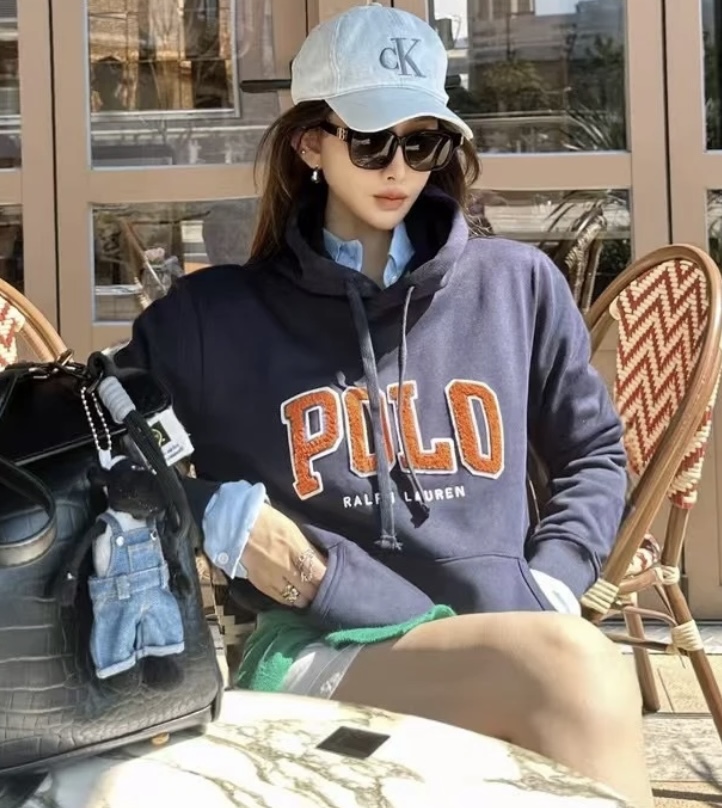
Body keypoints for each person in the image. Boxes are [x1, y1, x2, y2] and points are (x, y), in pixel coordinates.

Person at [116, 3, 653, 805]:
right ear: (311, 144)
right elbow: (98, 452)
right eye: (371, 140)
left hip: (508, 631)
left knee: (565, 666)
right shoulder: (212, 319)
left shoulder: (517, 286)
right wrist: (215, 513)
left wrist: (553, 582)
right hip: (323, 643)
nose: (398, 167)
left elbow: (595, 452)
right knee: (575, 673)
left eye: (422, 141)